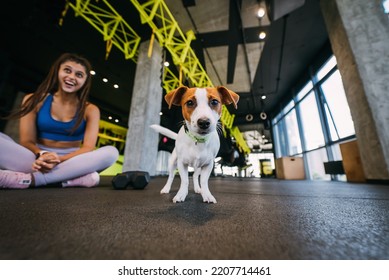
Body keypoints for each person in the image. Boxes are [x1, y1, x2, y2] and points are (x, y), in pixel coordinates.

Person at [0, 53, 119, 189]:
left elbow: (88, 148)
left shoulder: (90, 109)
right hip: (36, 159)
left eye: (79, 75)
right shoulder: (34, 100)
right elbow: (27, 141)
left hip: (72, 161)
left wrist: (59, 160)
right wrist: (43, 155)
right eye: (67, 70)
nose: (72, 77)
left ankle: (29, 180)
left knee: (111, 152)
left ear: (85, 81)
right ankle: (66, 180)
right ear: (57, 71)